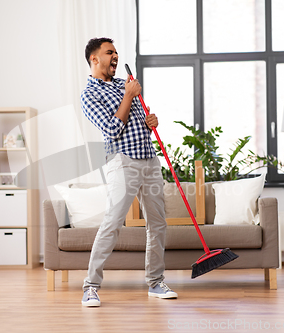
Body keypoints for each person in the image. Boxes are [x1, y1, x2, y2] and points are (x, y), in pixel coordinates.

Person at [80, 37, 178, 307]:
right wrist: (128, 95)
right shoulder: (90, 94)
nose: (115, 56)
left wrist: (149, 123)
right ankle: (90, 287)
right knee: (113, 223)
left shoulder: (125, 87)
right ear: (94, 59)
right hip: (123, 162)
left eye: (116, 53)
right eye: (109, 52)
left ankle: (156, 282)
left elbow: (134, 126)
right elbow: (112, 130)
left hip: (149, 160)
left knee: (158, 224)